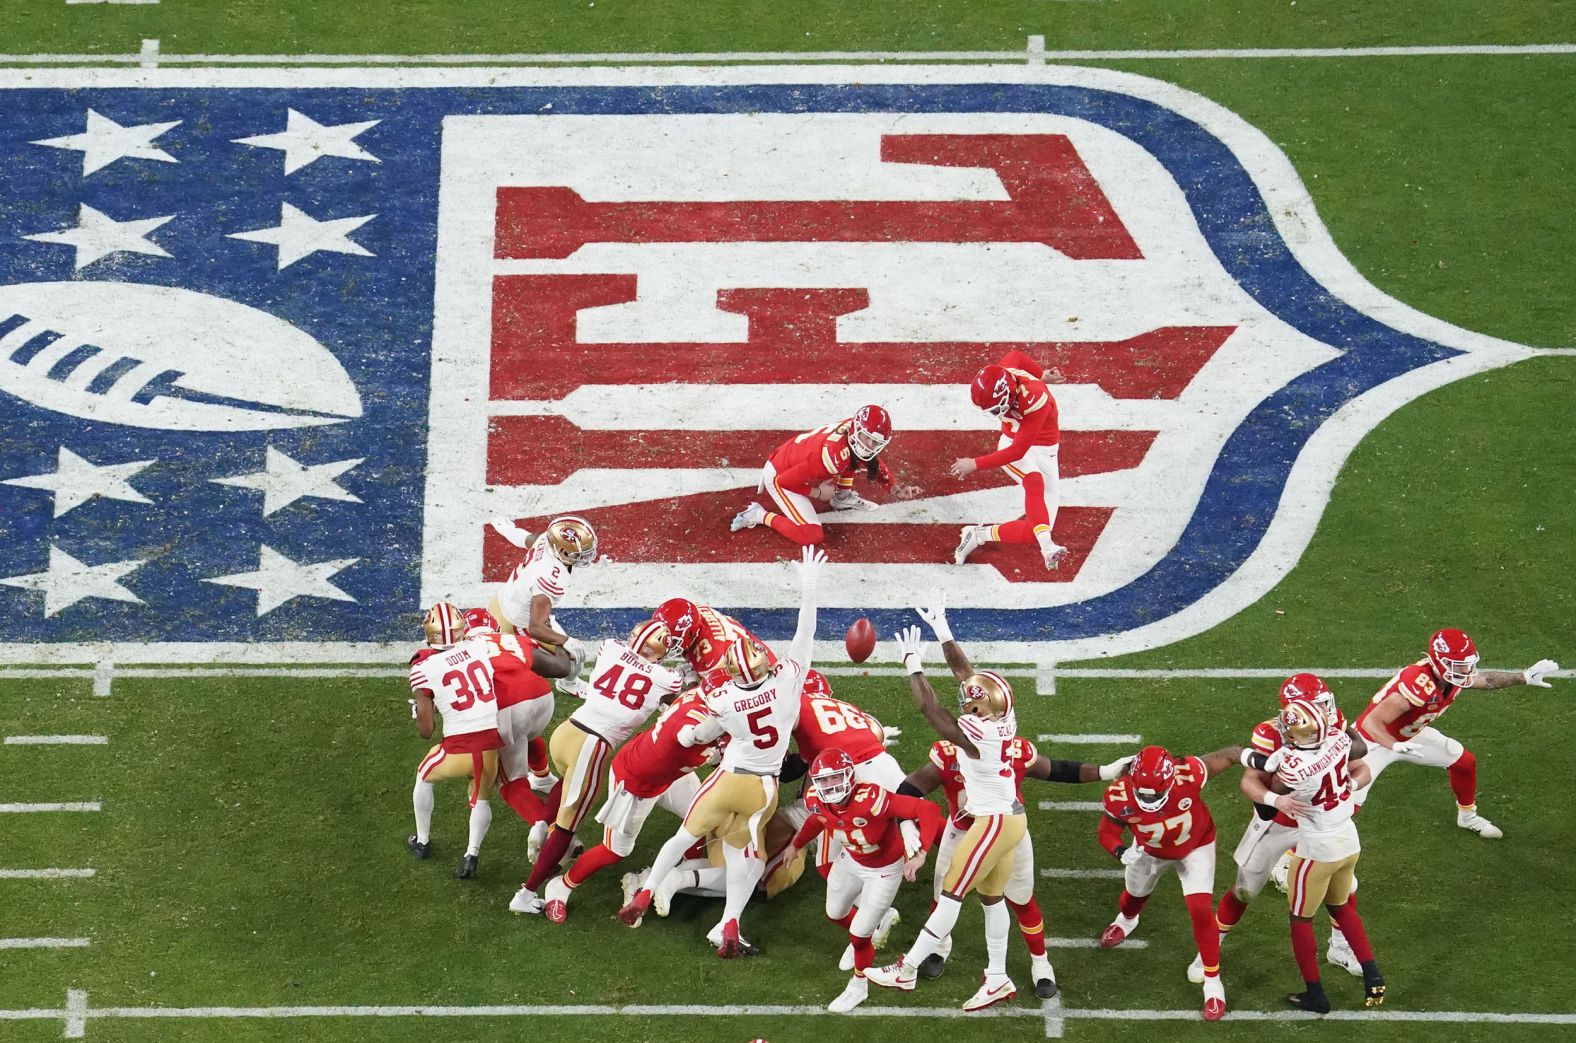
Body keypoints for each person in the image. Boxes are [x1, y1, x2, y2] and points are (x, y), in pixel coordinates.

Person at [618, 546, 827, 957]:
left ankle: (645, 892)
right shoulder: (787, 686)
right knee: (746, 858)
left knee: (681, 837)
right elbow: (805, 636)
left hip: (728, 778)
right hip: (762, 789)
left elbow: (693, 736)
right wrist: (809, 589)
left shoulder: (725, 697)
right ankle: (729, 921)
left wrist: (693, 735)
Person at [864, 626, 1028, 1013]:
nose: (966, 703)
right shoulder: (1003, 715)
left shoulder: (977, 735)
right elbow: (970, 679)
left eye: (972, 704)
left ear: (981, 710)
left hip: (995, 822)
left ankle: (906, 969)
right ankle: (998, 977)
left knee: (952, 892)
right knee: (991, 899)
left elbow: (931, 709)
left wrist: (912, 664)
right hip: (1007, 819)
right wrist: (944, 633)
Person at [1352, 629, 1557, 838]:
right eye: (1458, 665)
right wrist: (1394, 745)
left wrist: (1524, 677)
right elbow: (1371, 723)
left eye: (1467, 664)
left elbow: (1486, 680)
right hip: (1370, 743)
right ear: (1438, 662)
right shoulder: (1417, 683)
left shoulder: (1451, 677)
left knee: (1464, 762)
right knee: (1346, 806)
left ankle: (1467, 817)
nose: (1466, 670)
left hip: (1409, 735)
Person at [1097, 743, 1246, 1022]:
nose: (1147, 798)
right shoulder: (1119, 794)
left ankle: (1213, 983)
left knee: (1201, 910)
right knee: (1133, 895)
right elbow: (1107, 831)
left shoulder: (1189, 772)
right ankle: (1127, 920)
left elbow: (1229, 754)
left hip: (1197, 846)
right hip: (1149, 849)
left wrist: (1259, 759)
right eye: (1141, 792)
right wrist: (1120, 850)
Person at [1255, 698, 1386, 1012]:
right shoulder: (1340, 740)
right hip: (1348, 840)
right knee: (1340, 907)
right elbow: (1357, 744)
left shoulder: (1293, 766)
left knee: (1300, 920)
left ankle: (1315, 994)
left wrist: (1274, 762)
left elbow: (1266, 801)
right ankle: (1373, 975)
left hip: (1317, 849)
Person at [406, 603, 505, 880]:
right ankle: (471, 853)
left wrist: (420, 710)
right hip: (490, 744)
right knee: (480, 799)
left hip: (459, 747)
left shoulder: (423, 668)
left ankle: (422, 841)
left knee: (423, 776)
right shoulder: (479, 647)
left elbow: (426, 730)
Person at [950, 352, 1067, 570]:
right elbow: (1015, 356)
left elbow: (1019, 450)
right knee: (1034, 481)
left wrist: (974, 463)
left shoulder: (1036, 398)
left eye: (995, 408)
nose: (995, 414)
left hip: (1037, 449)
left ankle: (977, 534)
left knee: (1035, 530)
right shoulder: (1004, 373)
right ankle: (1048, 547)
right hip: (1011, 442)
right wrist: (1042, 373)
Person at [730, 406, 893, 545]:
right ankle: (757, 514)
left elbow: (869, 457)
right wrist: (818, 493)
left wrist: (892, 485)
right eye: (868, 439)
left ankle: (842, 497)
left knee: (854, 456)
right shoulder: (833, 454)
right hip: (780, 474)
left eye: (876, 442)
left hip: (796, 456)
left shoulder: (854, 430)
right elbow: (784, 481)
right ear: (856, 430)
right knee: (810, 535)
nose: (870, 446)